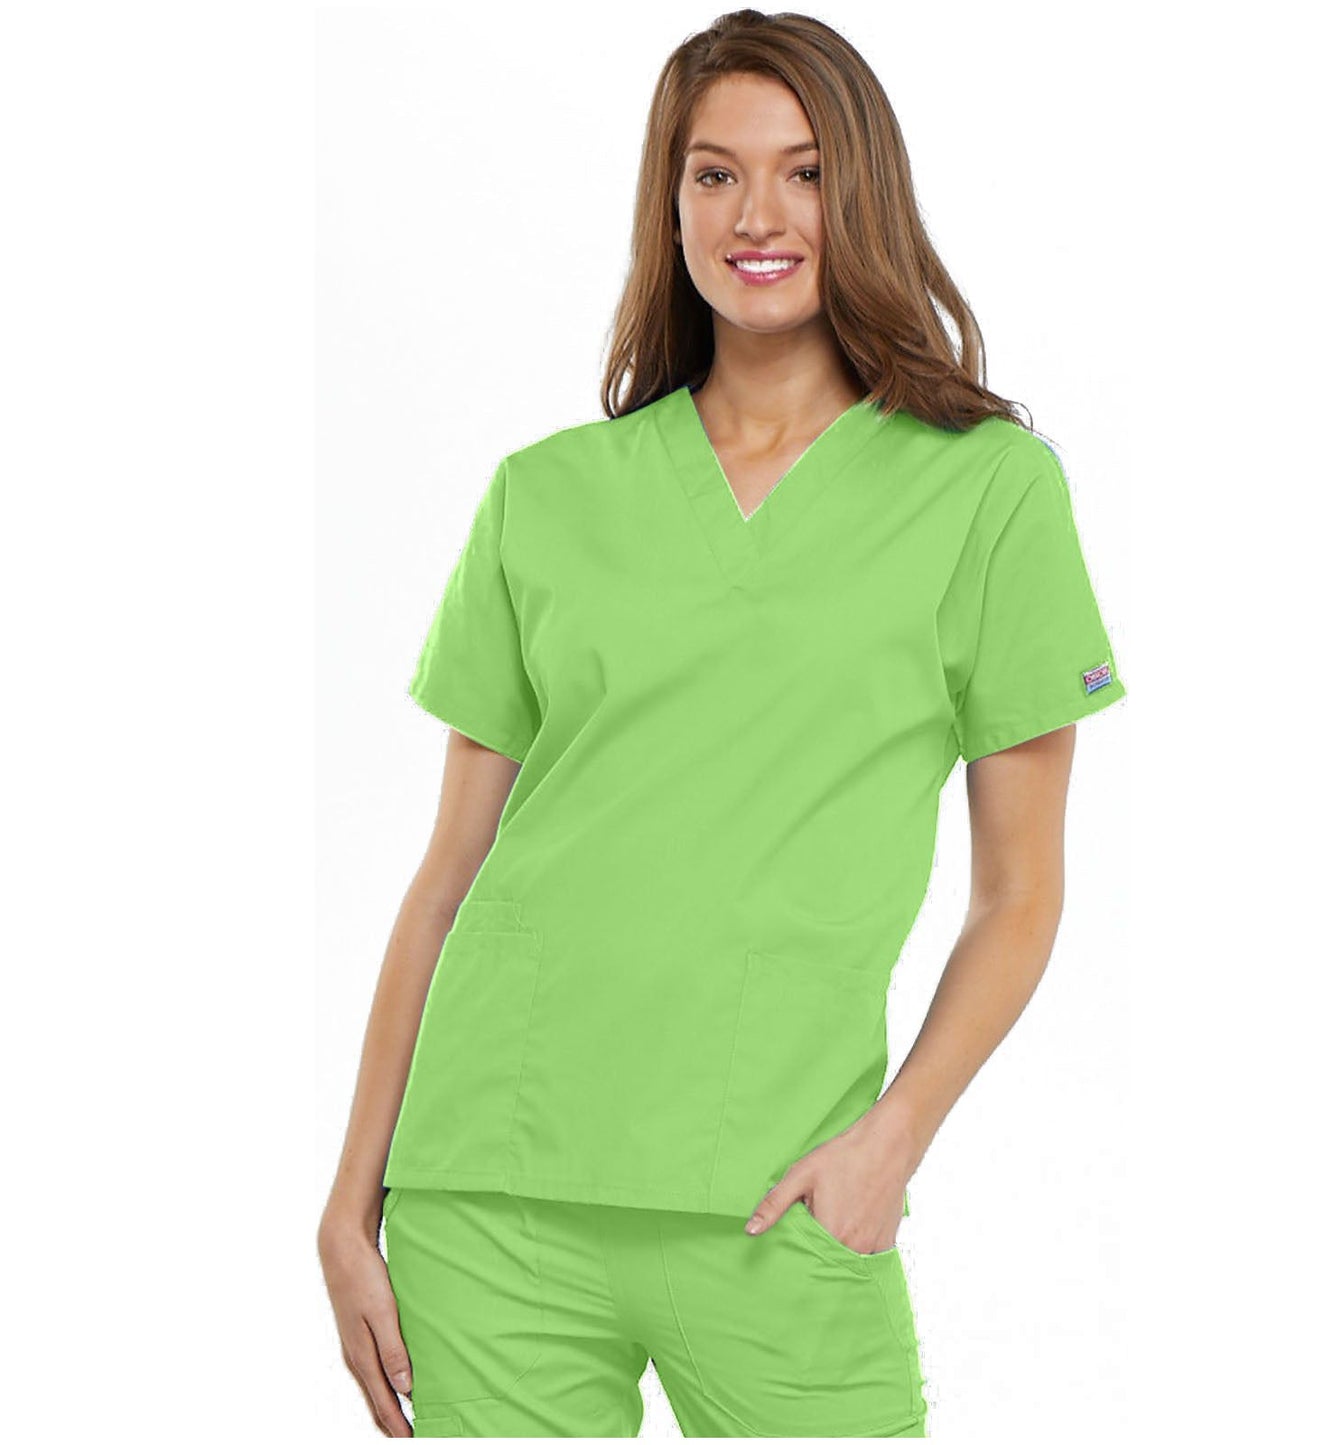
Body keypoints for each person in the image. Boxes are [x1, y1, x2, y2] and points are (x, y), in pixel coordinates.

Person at [318, 9, 1127, 1438]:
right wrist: (349, 1196)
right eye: (714, 174)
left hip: (779, 1199)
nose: (758, 215)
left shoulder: (988, 492)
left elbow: (1018, 896)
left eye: (804, 172)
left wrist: (890, 1144)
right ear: (671, 201)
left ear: (862, 193)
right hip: (488, 1190)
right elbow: (449, 872)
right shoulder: (543, 495)